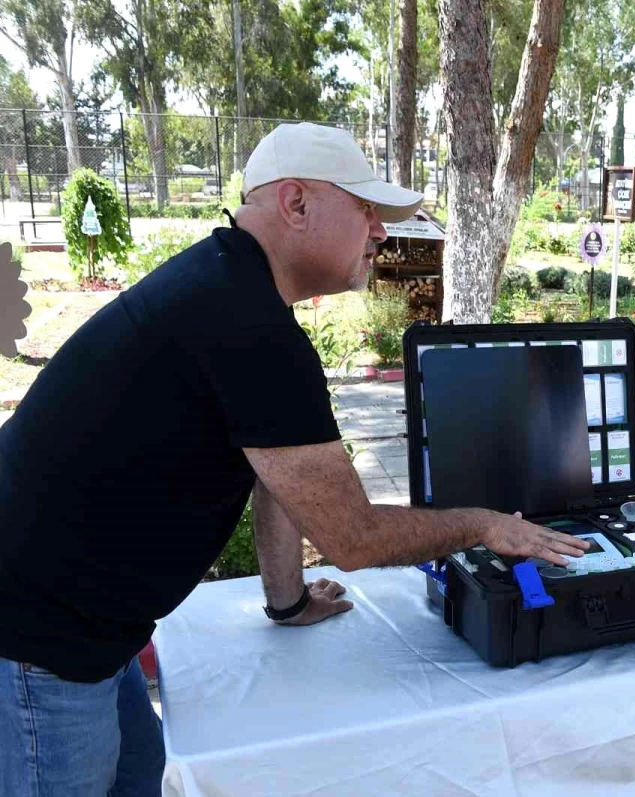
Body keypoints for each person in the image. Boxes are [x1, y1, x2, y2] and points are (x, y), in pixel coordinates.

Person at [0, 122, 589, 796]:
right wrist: (485, 524)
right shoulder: (244, 323)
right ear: (297, 203)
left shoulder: (228, 287)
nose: (381, 234)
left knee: (137, 777)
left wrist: (287, 601)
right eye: (368, 210)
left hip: (85, 626)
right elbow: (355, 537)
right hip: (36, 635)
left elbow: (275, 471)